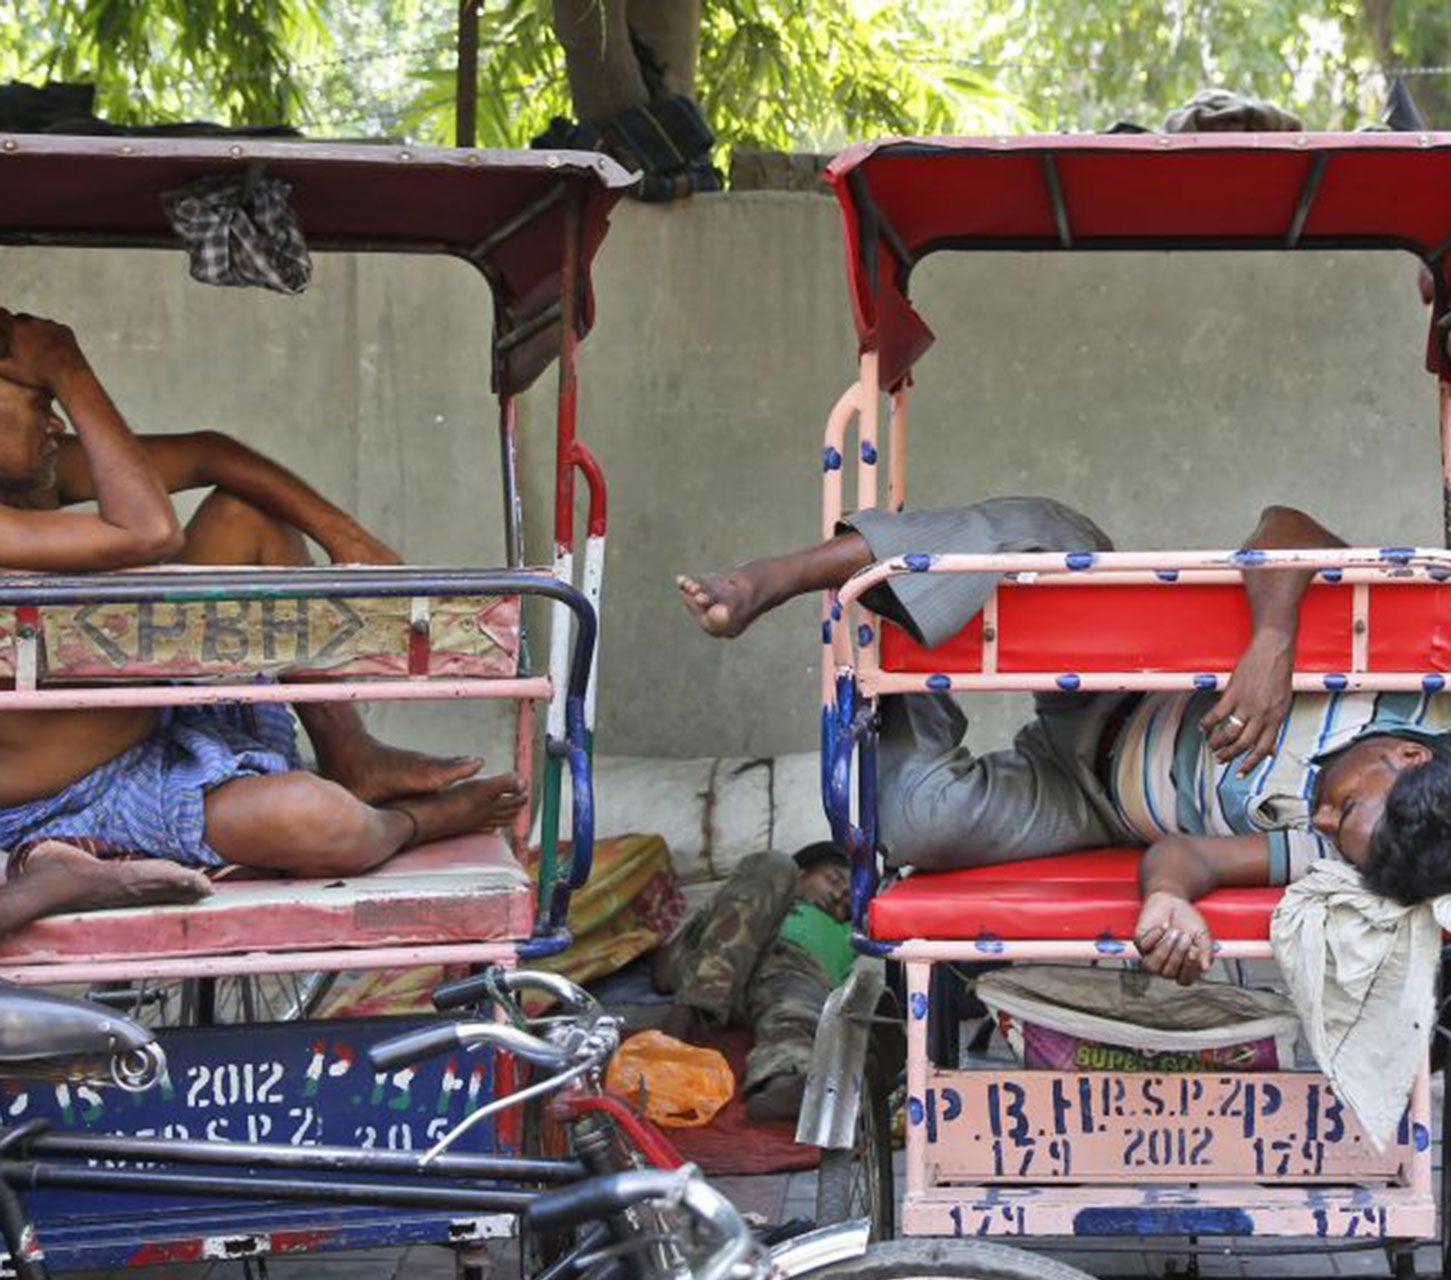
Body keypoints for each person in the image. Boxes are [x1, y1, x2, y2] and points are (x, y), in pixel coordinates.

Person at [677, 495, 1451, 981]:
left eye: (1334, 836)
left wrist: (1167, 900)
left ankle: (907, 620)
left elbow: (1196, 854)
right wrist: (1272, 642)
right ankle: (775, 578)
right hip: (1119, 692)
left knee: (912, 821)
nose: (1321, 824)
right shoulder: (1405, 687)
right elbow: (1284, 523)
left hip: (1090, 801)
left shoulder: (1353, 848)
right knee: (1043, 537)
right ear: (1407, 755)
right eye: (1344, 808)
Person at [0, 310, 525, 878]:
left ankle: (350, 751)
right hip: (67, 805)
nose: (57, 426)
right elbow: (147, 532)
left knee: (247, 513)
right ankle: (416, 824)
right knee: (319, 823)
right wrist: (66, 364)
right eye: (40, 403)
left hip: (155, 721)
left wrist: (348, 541)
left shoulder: (34, 478)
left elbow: (210, 452)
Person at [653, 841, 855, 1121]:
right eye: (834, 880)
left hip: (791, 972)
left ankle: (786, 1079)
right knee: (775, 864)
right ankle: (685, 1014)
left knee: (797, 1008)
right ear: (804, 872)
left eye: (847, 902)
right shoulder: (766, 885)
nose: (837, 896)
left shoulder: (851, 934)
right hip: (717, 961)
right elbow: (664, 972)